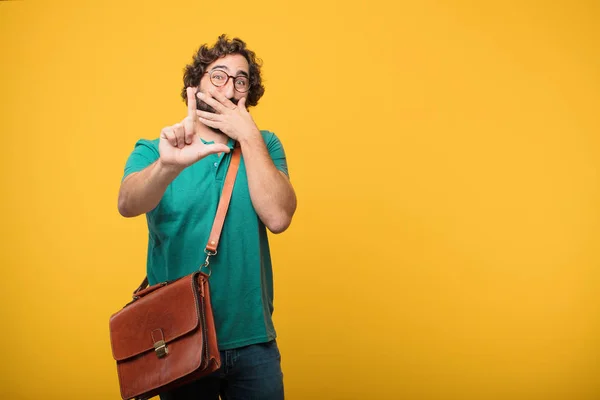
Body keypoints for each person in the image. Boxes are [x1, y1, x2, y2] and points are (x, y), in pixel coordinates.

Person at [117, 34, 297, 400]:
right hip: (180, 338)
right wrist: (167, 165)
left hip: (253, 342)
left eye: (240, 79)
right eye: (218, 75)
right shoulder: (156, 149)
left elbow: (278, 217)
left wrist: (248, 135)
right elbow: (127, 203)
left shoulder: (265, 145)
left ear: (248, 93)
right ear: (194, 86)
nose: (229, 86)